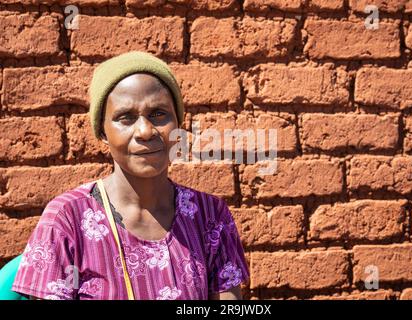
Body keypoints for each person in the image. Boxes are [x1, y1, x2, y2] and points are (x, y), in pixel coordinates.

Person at [11, 51, 249, 300]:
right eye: (125, 118)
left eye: (159, 114)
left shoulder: (210, 216)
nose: (146, 131)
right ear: (102, 133)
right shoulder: (67, 219)